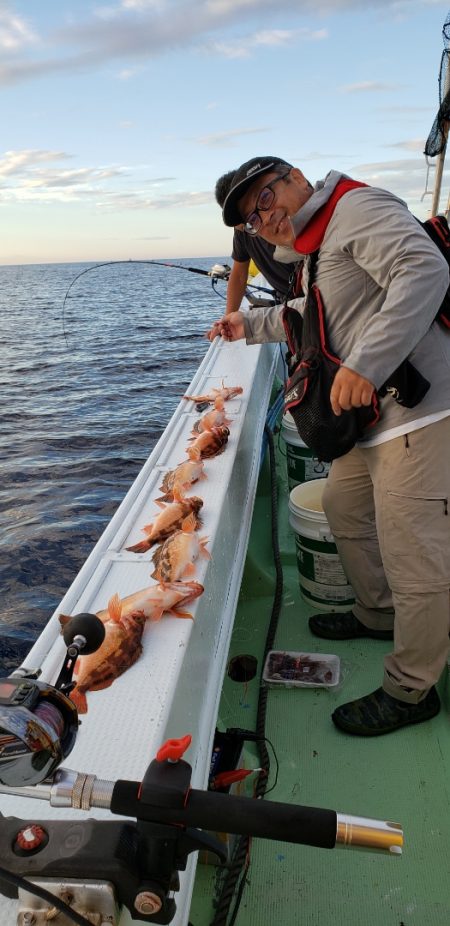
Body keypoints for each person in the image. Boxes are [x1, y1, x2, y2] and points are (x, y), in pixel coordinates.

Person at [209, 155, 450, 737]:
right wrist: (248, 324)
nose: (264, 220)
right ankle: (378, 613)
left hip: (420, 414)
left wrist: (366, 363)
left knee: (415, 559)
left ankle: (411, 688)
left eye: (265, 199)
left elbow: (424, 268)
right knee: (344, 509)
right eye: (251, 219)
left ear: (295, 177)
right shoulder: (315, 248)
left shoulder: (357, 208)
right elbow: (313, 314)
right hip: (371, 421)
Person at [215, 170, 299, 313]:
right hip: (288, 303)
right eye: (241, 219)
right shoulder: (241, 231)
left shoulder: (283, 223)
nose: (251, 224)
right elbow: (239, 275)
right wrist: (228, 317)